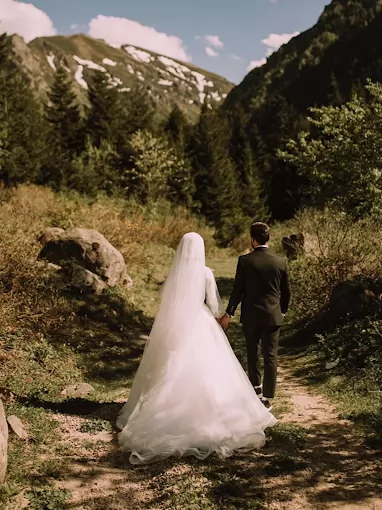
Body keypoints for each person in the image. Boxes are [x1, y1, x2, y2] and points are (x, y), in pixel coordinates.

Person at [116, 232, 276, 465]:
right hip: (201, 321)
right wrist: (218, 317)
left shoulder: (175, 273)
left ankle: (165, 406)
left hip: (177, 323)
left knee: (172, 365)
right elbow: (212, 302)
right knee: (209, 365)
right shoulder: (206, 273)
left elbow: (169, 302)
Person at [220, 222, 291, 411]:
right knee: (271, 356)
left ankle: (255, 390)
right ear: (269, 238)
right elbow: (286, 292)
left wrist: (229, 313)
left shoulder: (245, 261)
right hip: (273, 315)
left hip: (251, 315)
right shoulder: (280, 261)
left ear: (252, 239)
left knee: (253, 353)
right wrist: (282, 310)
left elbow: (238, 290)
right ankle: (268, 396)